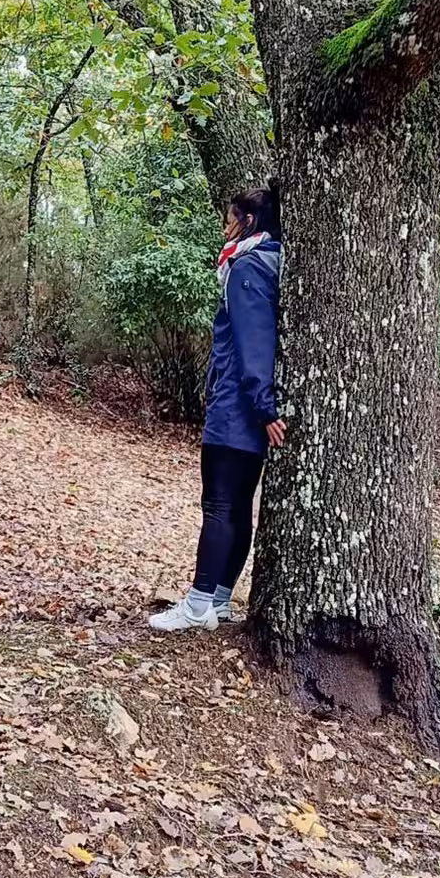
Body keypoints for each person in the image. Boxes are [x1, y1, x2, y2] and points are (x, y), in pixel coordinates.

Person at [149, 178, 284, 634]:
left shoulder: (246, 270)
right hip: (250, 405)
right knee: (238, 506)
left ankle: (198, 603)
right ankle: (220, 600)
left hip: (238, 405)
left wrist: (263, 407)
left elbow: (253, 342)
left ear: (248, 221)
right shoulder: (269, 263)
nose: (224, 228)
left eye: (230, 219)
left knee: (220, 505)